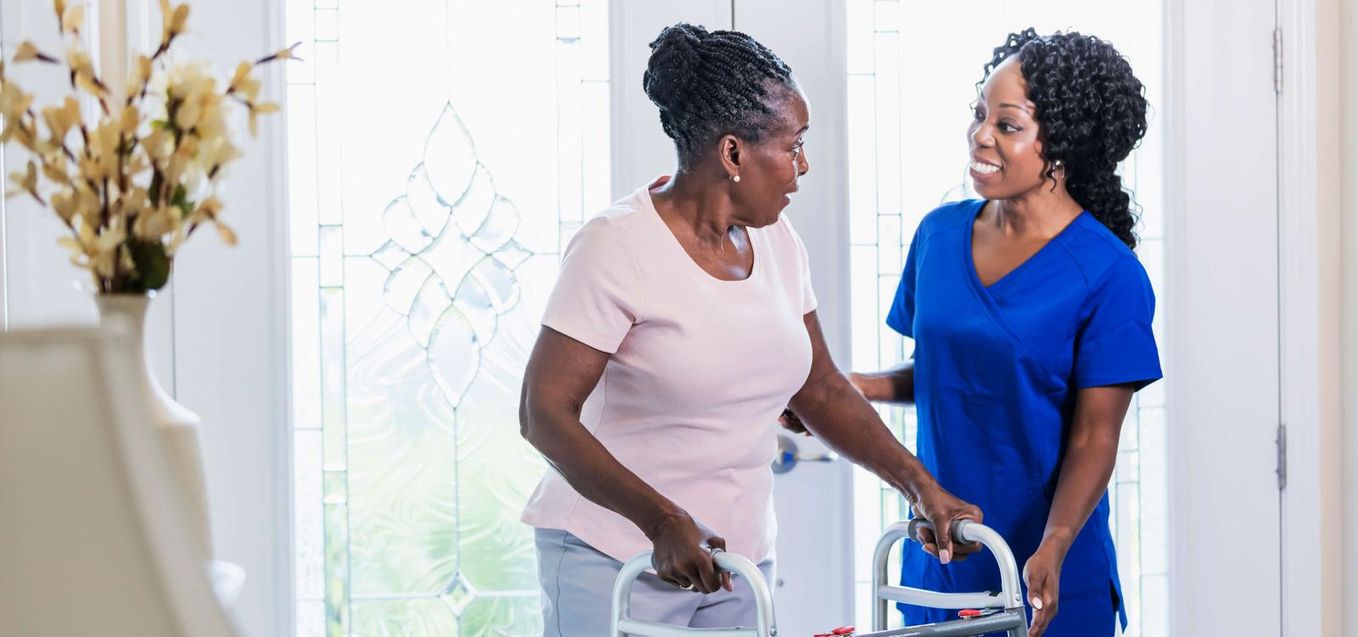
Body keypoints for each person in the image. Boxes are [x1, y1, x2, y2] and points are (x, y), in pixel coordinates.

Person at [519, 22, 979, 636]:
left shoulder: (779, 242)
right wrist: (659, 521)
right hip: (611, 558)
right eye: (794, 146)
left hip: (735, 565)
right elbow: (542, 412)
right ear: (733, 153)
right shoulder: (617, 246)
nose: (804, 165)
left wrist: (920, 487)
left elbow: (820, 389)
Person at [850, 29, 1162, 637]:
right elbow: (949, 375)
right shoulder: (938, 236)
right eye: (979, 114)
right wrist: (844, 390)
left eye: (1008, 125)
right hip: (942, 556)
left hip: (1046, 567)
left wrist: (1055, 543)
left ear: (1064, 145)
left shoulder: (1108, 274)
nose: (981, 135)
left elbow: (1097, 434)